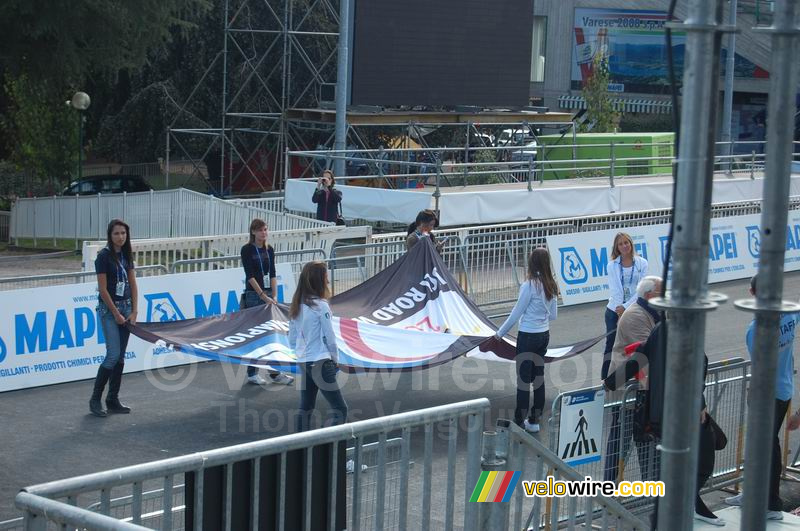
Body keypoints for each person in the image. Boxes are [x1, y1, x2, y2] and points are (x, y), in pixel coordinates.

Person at [725, 274, 796, 520]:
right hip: (784, 389)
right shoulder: (789, 314)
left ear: (752, 293)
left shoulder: (755, 329)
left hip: (767, 395)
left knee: (768, 448)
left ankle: (772, 503)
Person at [602, 276, 662, 482]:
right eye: (661, 292)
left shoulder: (656, 312)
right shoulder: (636, 315)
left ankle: (649, 485)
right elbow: (651, 352)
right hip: (628, 389)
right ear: (649, 295)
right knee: (621, 440)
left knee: (645, 439)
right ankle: (609, 486)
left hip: (642, 389)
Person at [494, 248, 559, 433]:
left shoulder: (529, 286)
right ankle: (534, 420)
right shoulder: (551, 285)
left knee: (523, 381)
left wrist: (499, 334)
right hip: (543, 335)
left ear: (532, 264)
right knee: (538, 378)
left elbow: (516, 313)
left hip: (528, 335)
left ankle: (518, 420)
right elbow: (553, 315)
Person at [289, 261, 348, 431]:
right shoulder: (321, 306)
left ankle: (300, 449)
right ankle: (329, 448)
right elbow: (330, 337)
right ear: (319, 280)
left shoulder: (297, 305)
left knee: (305, 407)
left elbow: (292, 337)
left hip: (304, 361)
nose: (328, 281)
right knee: (340, 409)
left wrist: (300, 352)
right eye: (325, 277)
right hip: (321, 361)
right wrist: (335, 359)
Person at [90, 219, 138, 417]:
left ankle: (112, 399)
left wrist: (134, 311)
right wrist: (116, 313)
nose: (121, 237)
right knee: (112, 355)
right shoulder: (103, 257)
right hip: (110, 311)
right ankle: (95, 399)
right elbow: (102, 289)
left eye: (123, 233)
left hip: (127, 307)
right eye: (117, 233)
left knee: (120, 357)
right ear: (110, 235)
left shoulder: (126, 254)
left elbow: (133, 283)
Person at [240, 219, 294, 386]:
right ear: (253, 232)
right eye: (260, 230)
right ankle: (252, 373)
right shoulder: (247, 249)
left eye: (265, 229)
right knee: (256, 334)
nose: (264, 233)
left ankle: (275, 372)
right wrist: (263, 295)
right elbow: (250, 275)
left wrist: (275, 295)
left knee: (271, 333)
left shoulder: (269, 249)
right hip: (254, 295)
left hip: (269, 294)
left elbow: (272, 273)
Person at [601, 232, 648, 380]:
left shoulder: (642, 263)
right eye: (620, 244)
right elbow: (616, 290)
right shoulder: (612, 266)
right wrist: (620, 310)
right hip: (614, 310)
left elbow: (642, 289)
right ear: (617, 247)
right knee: (611, 345)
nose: (624, 246)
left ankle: (637, 378)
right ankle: (606, 379)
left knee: (636, 345)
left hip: (634, 311)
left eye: (626, 242)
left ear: (631, 244)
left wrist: (626, 307)